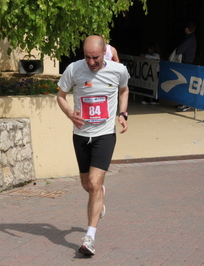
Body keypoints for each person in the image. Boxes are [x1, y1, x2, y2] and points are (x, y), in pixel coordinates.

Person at [56, 35, 129, 256]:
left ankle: (89, 238)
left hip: (105, 134)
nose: (91, 62)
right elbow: (60, 96)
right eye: (87, 57)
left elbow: (124, 90)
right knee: (87, 185)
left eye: (95, 57)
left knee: (95, 183)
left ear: (104, 52)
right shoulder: (74, 69)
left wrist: (123, 113)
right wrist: (70, 114)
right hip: (81, 134)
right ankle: (99, 194)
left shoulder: (118, 70)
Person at [175, 21, 197, 112]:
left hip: (186, 63)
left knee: (184, 84)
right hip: (188, 63)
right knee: (183, 83)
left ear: (188, 29)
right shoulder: (192, 38)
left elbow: (180, 50)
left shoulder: (189, 39)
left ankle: (186, 104)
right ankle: (182, 102)